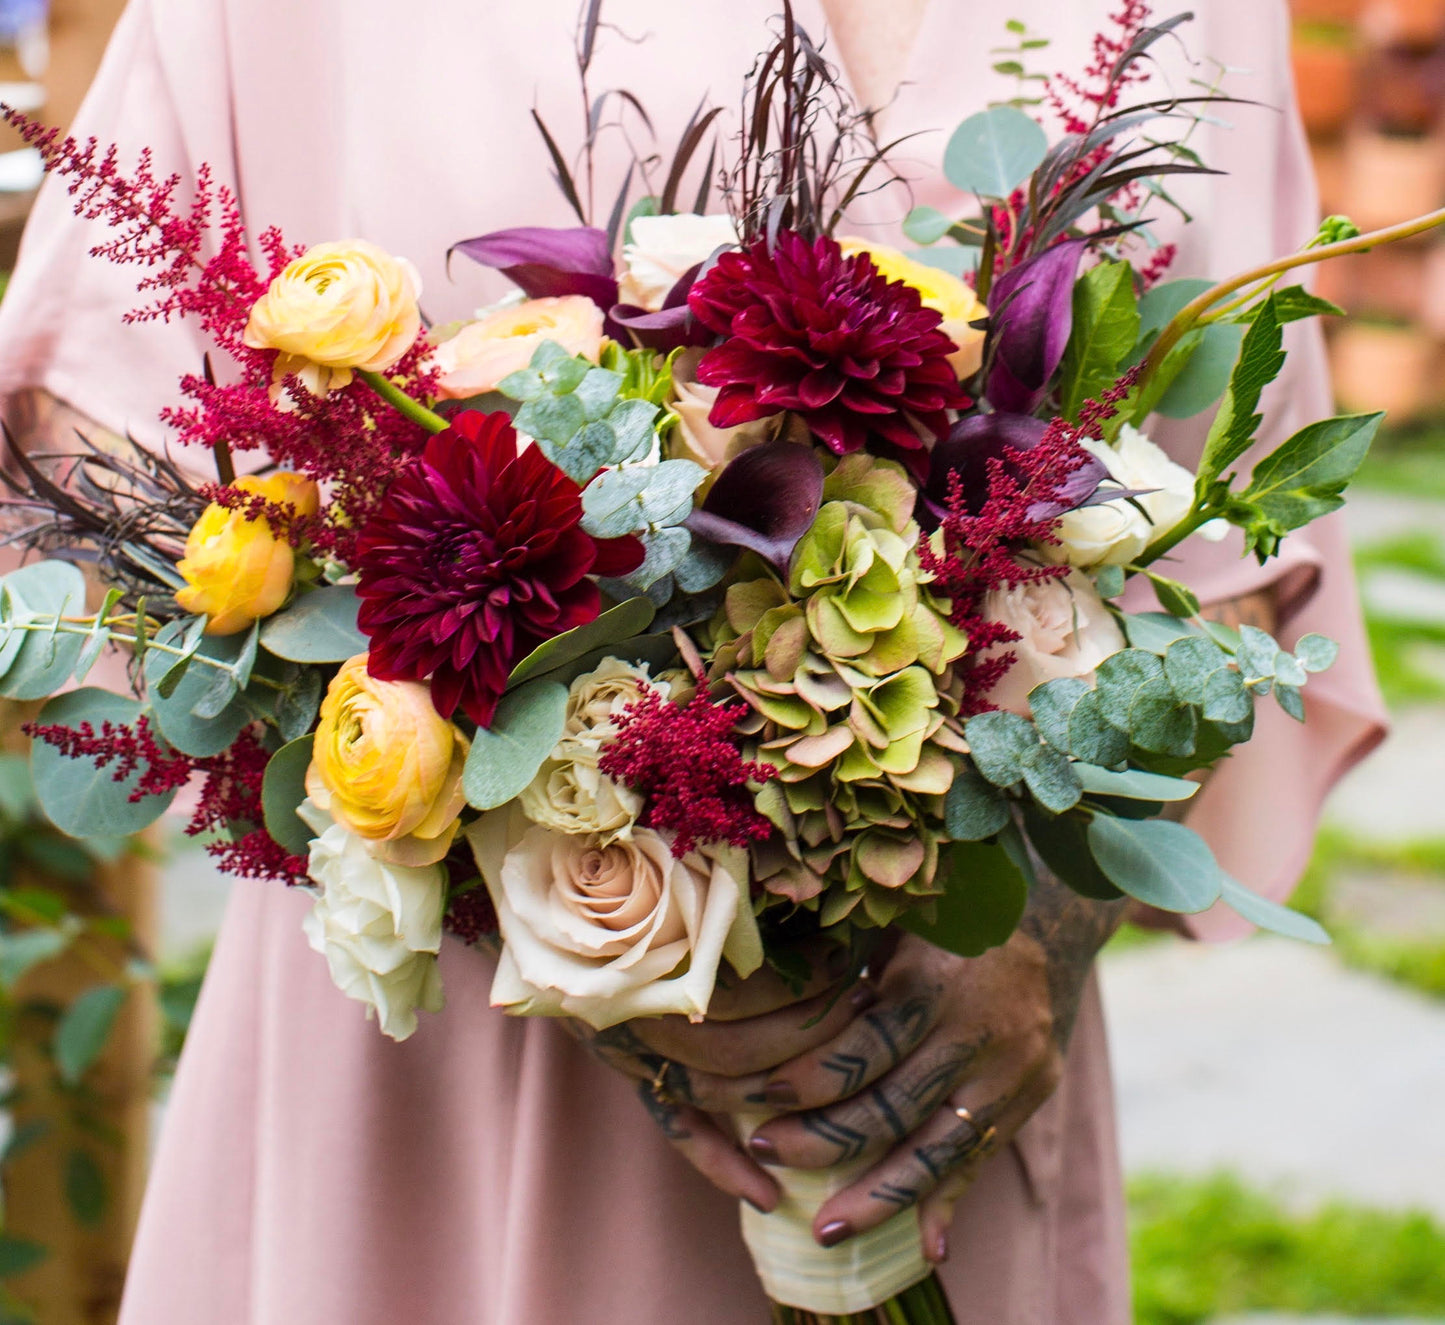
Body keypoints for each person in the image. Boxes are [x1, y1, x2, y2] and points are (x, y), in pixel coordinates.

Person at [0, 1, 1386, 1320]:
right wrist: (548, 900)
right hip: (441, 1103)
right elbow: (85, 429)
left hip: (942, 1090)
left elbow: (1235, 546)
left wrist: (1030, 931)